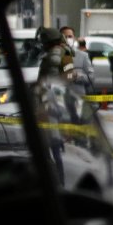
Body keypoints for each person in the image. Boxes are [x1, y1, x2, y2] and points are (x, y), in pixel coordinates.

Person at [35, 26, 75, 185]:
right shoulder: (66, 53)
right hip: (57, 105)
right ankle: (57, 181)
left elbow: (53, 84)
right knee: (52, 149)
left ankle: (57, 182)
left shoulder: (55, 56)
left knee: (51, 148)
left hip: (51, 107)